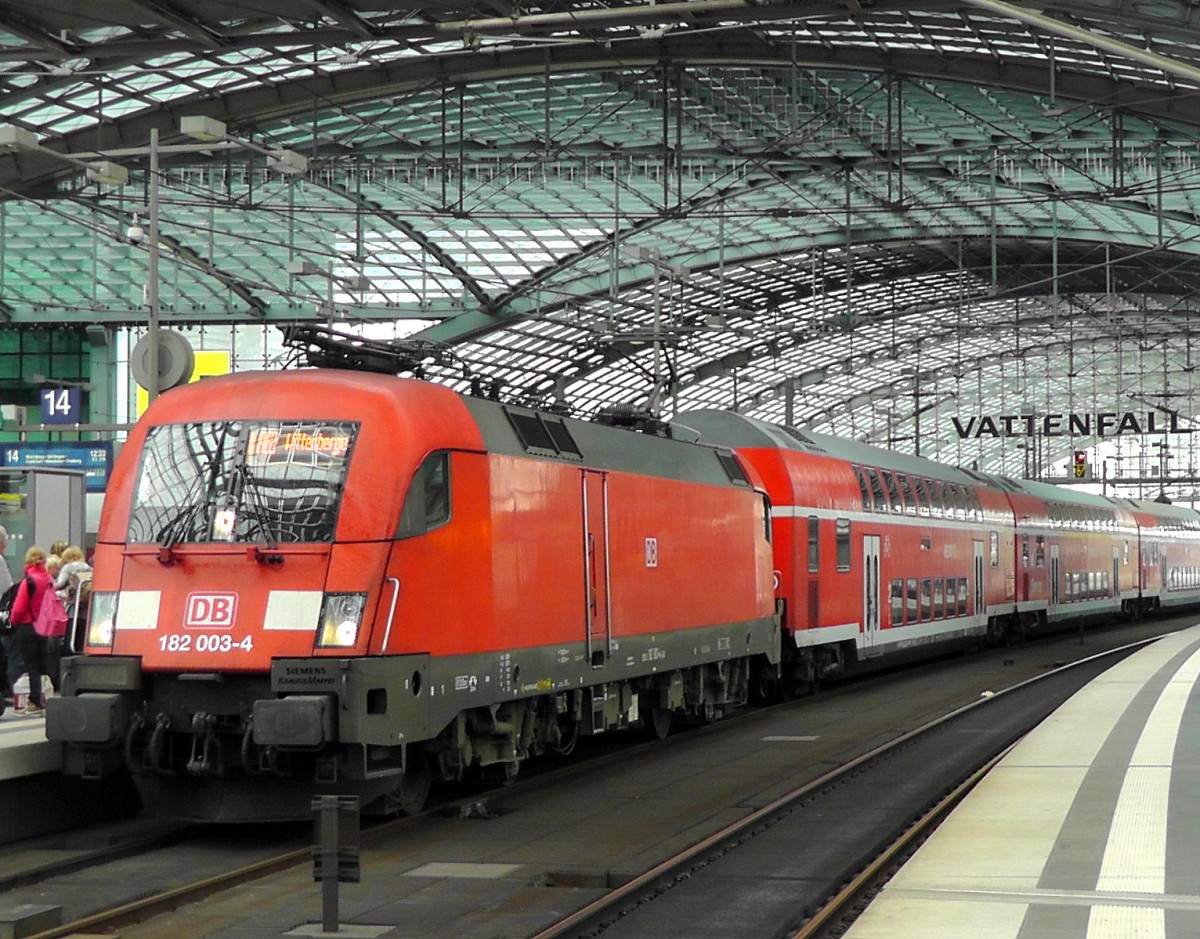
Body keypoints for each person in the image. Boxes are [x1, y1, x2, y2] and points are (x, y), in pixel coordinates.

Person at [9, 546, 53, 717]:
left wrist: (12, 622)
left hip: (27, 626)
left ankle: (35, 700)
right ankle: (44, 697)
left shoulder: (29, 581)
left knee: (31, 665)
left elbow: (19, 608)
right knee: (42, 664)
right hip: (43, 626)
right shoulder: (48, 579)